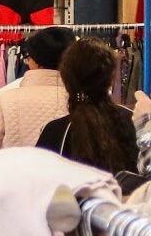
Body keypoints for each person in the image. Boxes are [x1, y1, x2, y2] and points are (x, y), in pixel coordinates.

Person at [35, 38, 139, 176]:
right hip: (128, 196)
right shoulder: (133, 120)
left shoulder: (55, 132)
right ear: (111, 77)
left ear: (66, 79)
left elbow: (42, 184)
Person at [0, 25, 74, 149]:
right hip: (69, 168)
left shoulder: (3, 99)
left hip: (14, 168)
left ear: (34, 60)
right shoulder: (81, 99)